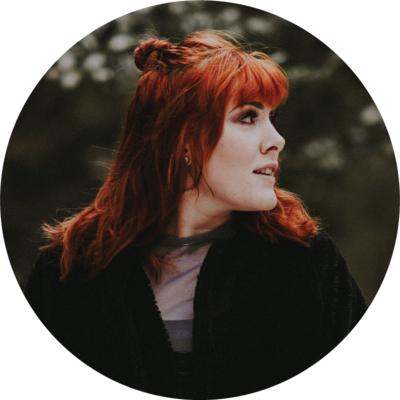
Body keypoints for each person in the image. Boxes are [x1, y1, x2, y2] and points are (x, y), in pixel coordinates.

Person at [23, 30, 368, 399]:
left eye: (272, 117)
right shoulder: (71, 268)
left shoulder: (303, 259)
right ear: (184, 138)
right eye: (248, 117)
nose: (276, 139)